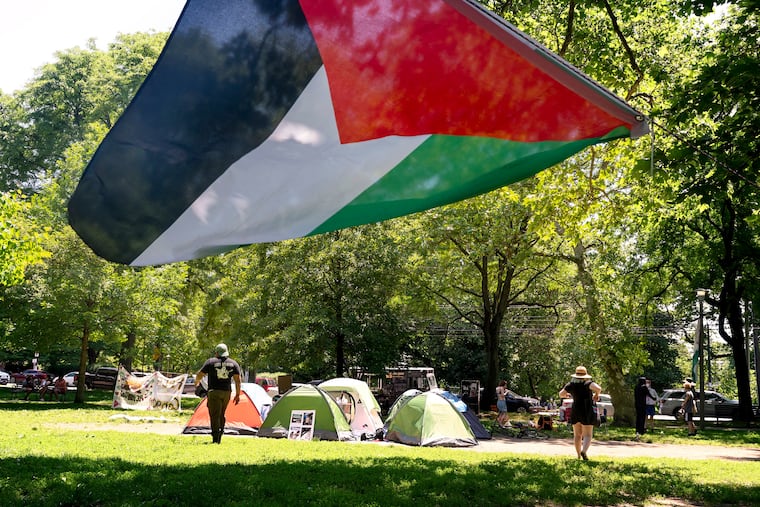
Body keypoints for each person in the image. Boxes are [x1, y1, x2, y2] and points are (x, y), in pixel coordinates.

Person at [194, 343, 242, 444]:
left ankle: (216, 438)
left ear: (217, 352)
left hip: (214, 392)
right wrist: (238, 394)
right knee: (221, 414)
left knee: (214, 415)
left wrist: (197, 383)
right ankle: (221, 432)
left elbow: (200, 374)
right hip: (226, 393)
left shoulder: (210, 362)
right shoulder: (233, 363)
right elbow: (238, 380)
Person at [559, 365, 602, 460]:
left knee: (577, 435)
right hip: (586, 409)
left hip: (575, 409)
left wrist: (567, 395)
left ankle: (578, 455)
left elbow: (561, 394)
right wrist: (596, 395)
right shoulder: (588, 384)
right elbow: (598, 388)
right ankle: (584, 451)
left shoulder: (570, 385)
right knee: (588, 434)